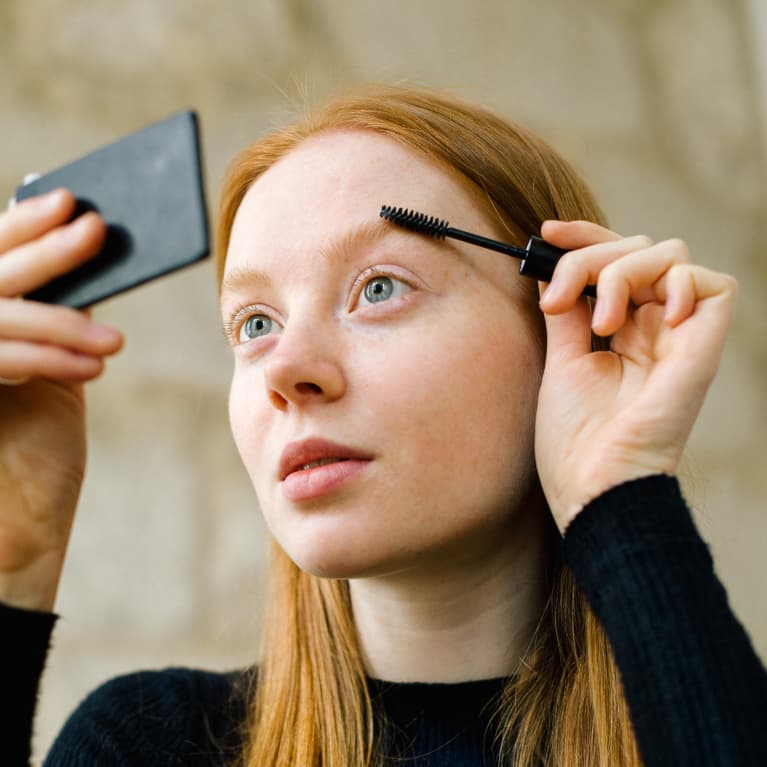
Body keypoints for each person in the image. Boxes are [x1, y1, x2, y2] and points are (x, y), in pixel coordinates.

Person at [2, 85, 765, 767]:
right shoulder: (151, 745)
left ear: (564, 325)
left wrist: (621, 484)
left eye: (378, 287)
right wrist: (11, 579)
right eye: (255, 321)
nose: (285, 371)